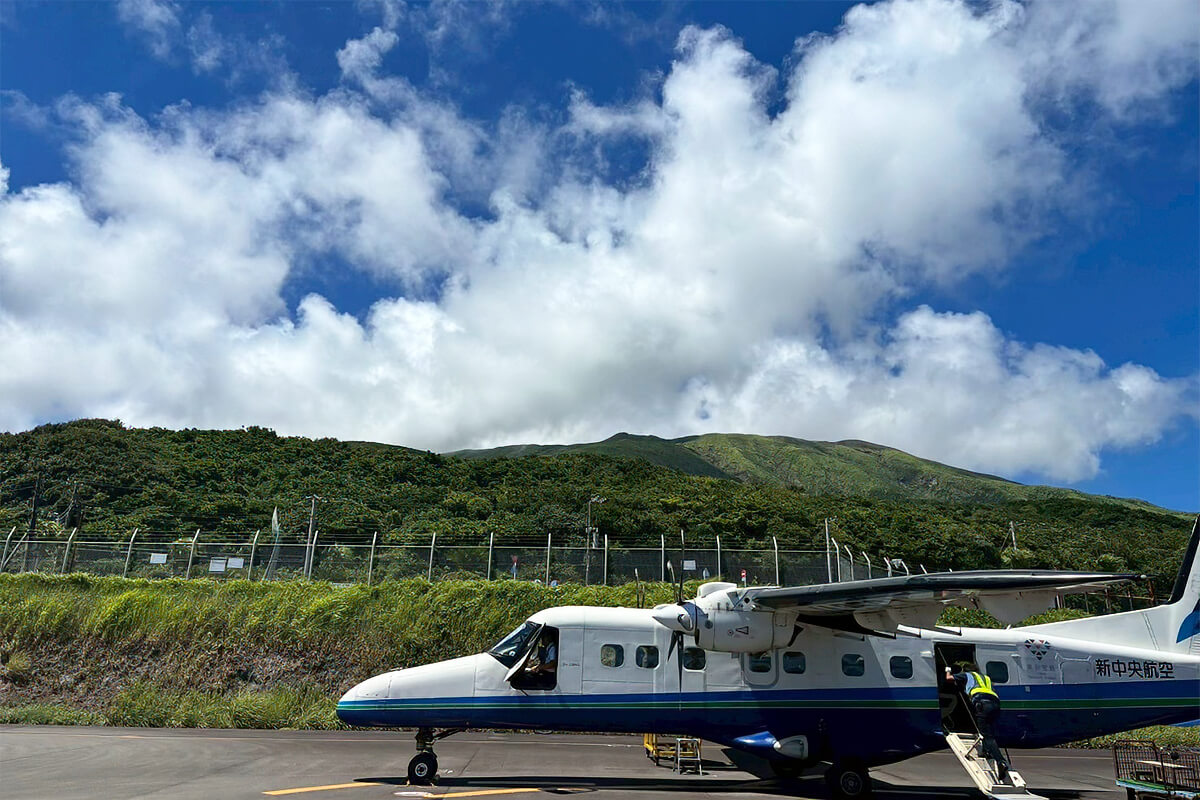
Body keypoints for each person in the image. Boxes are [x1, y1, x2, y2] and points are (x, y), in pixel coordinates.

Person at [944, 663, 1009, 781]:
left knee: (986, 736)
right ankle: (986, 751)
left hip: (982, 702)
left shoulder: (967, 675)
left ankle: (1001, 762)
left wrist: (948, 670)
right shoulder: (986, 678)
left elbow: (949, 678)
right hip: (995, 704)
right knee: (989, 732)